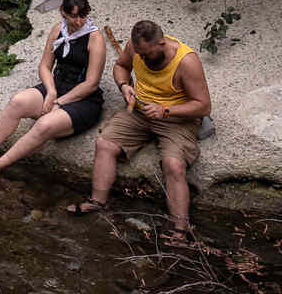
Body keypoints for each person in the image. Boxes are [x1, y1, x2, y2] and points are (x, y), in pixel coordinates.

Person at [66, 19, 212, 237]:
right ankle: (98, 202)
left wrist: (166, 110)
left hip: (177, 118)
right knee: (104, 143)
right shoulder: (136, 49)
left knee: (173, 165)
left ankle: (179, 230)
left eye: (147, 54)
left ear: (161, 44)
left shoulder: (186, 62)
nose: (142, 58)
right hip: (141, 111)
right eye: (139, 54)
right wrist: (124, 86)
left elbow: (203, 105)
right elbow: (121, 66)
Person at [0, 0, 105, 178]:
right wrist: (52, 92)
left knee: (43, 125)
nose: (78, 21)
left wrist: (60, 102)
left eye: (82, 16)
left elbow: (91, 83)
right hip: (58, 86)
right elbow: (45, 67)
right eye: (73, 16)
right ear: (63, 12)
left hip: (83, 99)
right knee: (17, 102)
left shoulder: (95, 39)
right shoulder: (57, 30)